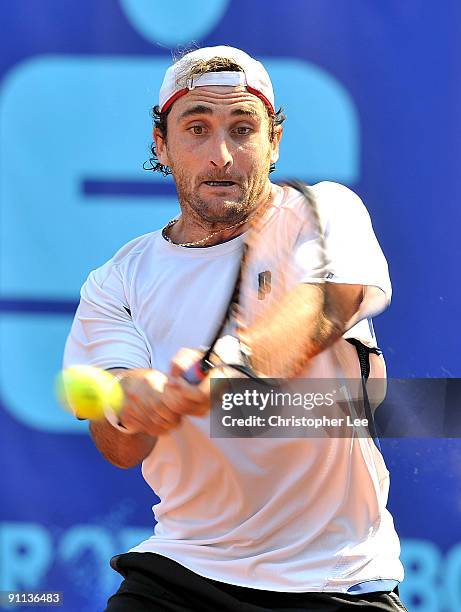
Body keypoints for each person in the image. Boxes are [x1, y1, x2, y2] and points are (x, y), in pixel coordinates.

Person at [63, 46, 407, 611]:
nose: (221, 155)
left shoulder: (323, 211)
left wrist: (222, 368)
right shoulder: (114, 283)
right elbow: (121, 447)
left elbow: (325, 308)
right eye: (196, 128)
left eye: (242, 128)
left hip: (334, 582)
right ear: (162, 144)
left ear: (273, 142)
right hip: (182, 572)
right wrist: (132, 403)